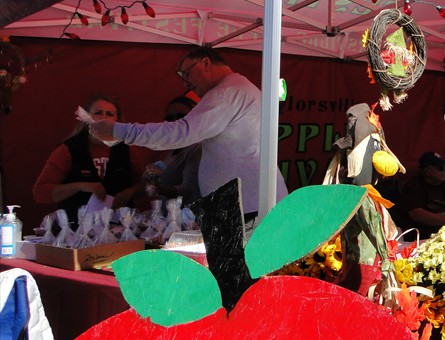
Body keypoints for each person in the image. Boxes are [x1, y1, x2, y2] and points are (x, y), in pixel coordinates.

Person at [90, 47, 287, 218]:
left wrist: (118, 130)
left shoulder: (225, 93)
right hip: (249, 204)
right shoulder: (240, 89)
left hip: (247, 207)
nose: (186, 84)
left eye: (187, 74)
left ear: (206, 63)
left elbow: (181, 132)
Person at [33, 93, 146, 227]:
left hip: (120, 228)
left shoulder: (127, 149)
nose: (104, 118)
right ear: (86, 118)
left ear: (118, 121)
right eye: (98, 113)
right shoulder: (69, 149)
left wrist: (130, 191)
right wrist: (81, 186)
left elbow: (144, 185)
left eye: (110, 114)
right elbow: (40, 193)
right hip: (77, 229)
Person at [143, 96, 202, 206]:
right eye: (170, 119)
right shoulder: (174, 148)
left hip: (186, 220)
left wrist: (160, 189)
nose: (175, 122)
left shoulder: (196, 148)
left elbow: (190, 192)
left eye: (181, 117)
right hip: (170, 218)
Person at [395, 152, 445, 240]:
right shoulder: (413, 187)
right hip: (422, 236)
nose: (444, 171)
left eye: (444, 168)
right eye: (440, 168)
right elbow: (418, 215)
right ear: (427, 171)